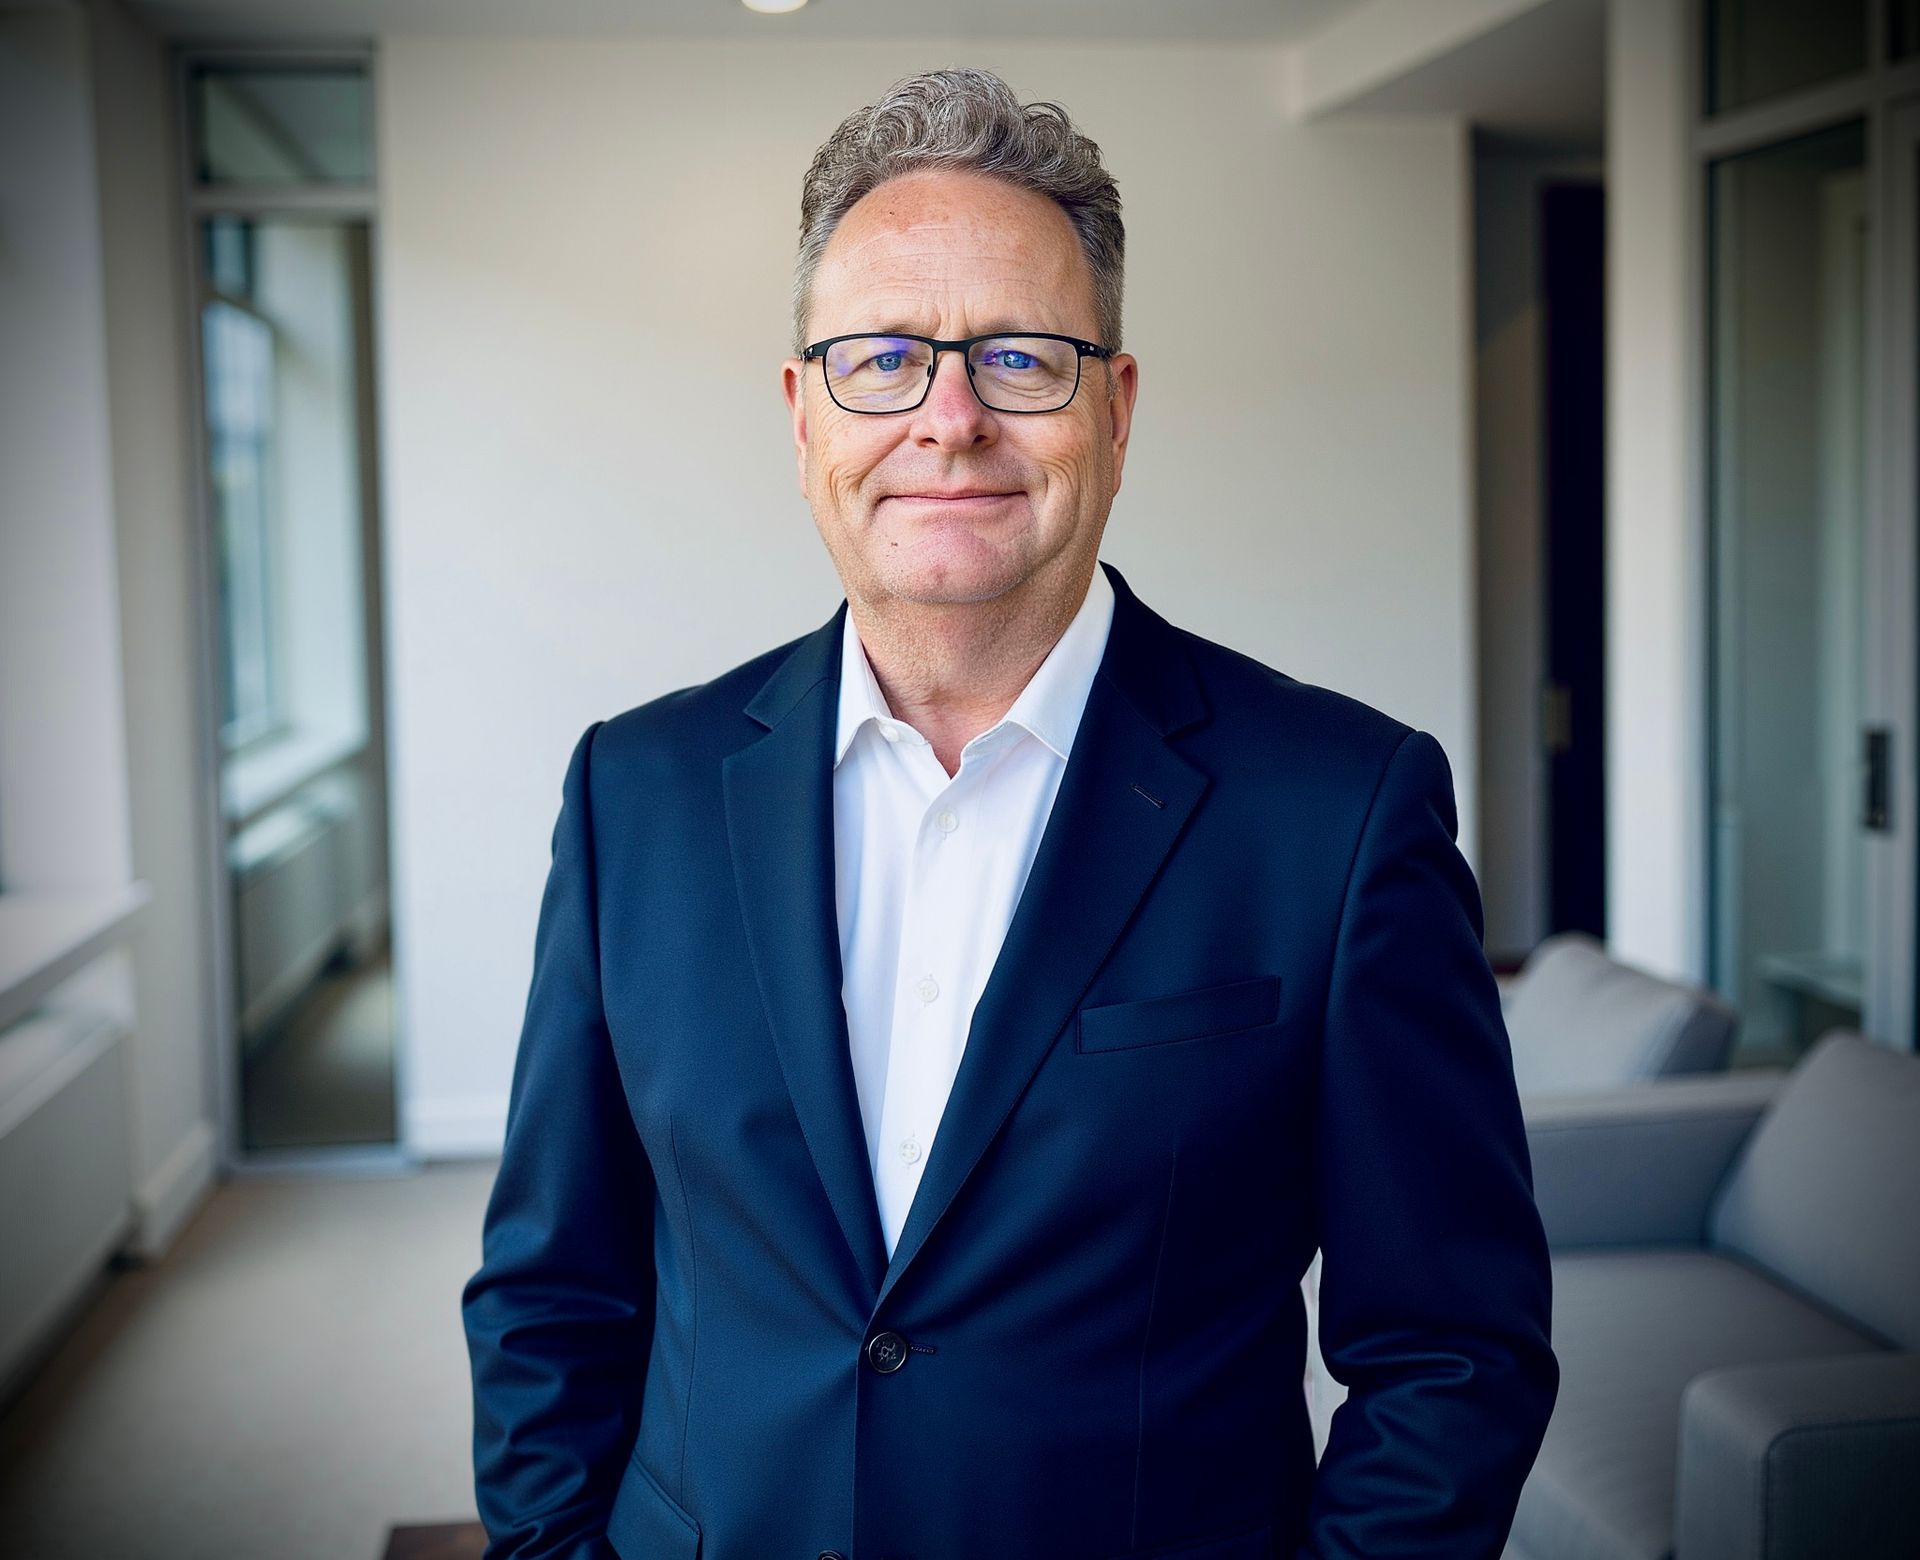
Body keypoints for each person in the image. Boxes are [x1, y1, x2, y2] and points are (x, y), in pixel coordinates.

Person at [463, 66, 1557, 1560]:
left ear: (1113, 409)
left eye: (1022, 359)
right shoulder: (630, 794)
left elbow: (1454, 1349)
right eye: (883, 360)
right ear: (803, 416)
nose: (951, 420)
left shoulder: (1343, 812)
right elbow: (552, 1288)